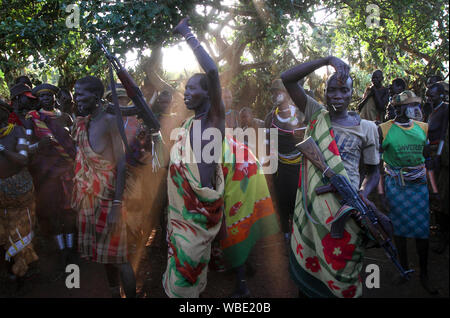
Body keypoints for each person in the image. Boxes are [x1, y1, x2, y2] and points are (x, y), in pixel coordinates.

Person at [280, 56, 381, 298]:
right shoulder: (316, 114)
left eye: (343, 90)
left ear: (351, 93)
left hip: (348, 211)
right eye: (331, 90)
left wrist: (362, 196)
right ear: (324, 93)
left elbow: (375, 171)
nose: (337, 95)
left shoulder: (367, 128)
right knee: (310, 270)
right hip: (314, 209)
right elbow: (287, 78)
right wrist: (327, 60)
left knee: (344, 272)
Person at [162, 17, 226, 298]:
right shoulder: (186, 127)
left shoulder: (214, 120)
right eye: (185, 89)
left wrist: (187, 33)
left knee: (188, 274)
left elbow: (212, 70)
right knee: (183, 274)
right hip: (181, 216)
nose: (186, 94)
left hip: (202, 214)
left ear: (208, 94)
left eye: (192, 89)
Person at [72, 75, 136, 298]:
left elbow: (120, 164)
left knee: (120, 259)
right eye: (75, 93)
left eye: (80, 93)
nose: (76, 97)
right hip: (90, 201)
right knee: (105, 257)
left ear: (96, 96)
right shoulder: (84, 122)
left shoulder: (109, 121)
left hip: (110, 200)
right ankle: (113, 294)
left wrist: (117, 205)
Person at [378, 90, 438, 294]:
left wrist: (434, 189)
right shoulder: (384, 129)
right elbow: (377, 162)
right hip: (396, 187)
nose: (417, 109)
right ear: (399, 108)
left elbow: (427, 159)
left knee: (423, 233)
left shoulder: (423, 128)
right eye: (411, 104)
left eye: (417, 104)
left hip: (418, 189)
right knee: (400, 232)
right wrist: (381, 193)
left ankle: (424, 274)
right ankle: (404, 269)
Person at [26, 83, 76, 272]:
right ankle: (61, 249)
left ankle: (71, 247)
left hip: (67, 171)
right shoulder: (32, 118)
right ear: (38, 99)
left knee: (69, 210)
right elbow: (28, 147)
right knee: (53, 212)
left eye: (49, 96)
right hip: (46, 174)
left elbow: (75, 143)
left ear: (55, 98)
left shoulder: (65, 117)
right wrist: (39, 145)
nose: (46, 99)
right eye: (42, 97)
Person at [0, 102, 39, 286]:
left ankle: (23, 273)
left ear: (4, 113)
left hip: (19, 191)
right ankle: (10, 271)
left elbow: (23, 159)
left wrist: (3, 150)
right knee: (3, 234)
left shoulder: (16, 132)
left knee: (20, 232)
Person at [264, 79, 306, 244]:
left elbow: (308, 141)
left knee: (298, 201)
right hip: (279, 168)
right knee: (282, 201)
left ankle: (300, 235)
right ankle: (286, 234)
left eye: (278, 91)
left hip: (299, 166)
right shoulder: (270, 118)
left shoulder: (300, 115)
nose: (275, 95)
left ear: (288, 93)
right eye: (273, 92)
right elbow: (267, 145)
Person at [424, 82, 449, 254]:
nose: (429, 98)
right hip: (430, 155)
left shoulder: (445, 109)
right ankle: (438, 230)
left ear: (441, 95)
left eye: (432, 95)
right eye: (427, 95)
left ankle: (443, 236)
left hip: (439, 156)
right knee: (433, 193)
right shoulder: (431, 110)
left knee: (440, 194)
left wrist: (439, 156)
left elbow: (443, 135)